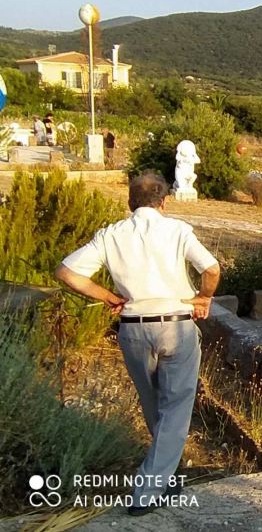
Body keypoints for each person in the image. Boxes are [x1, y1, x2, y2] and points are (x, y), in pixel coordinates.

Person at [54, 171, 220, 516]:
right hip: (175, 326)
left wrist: (107, 296)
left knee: (154, 403)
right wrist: (203, 298)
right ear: (163, 201)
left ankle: (164, 472)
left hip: (133, 328)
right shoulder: (176, 230)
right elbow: (212, 268)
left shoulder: (111, 235)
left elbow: (67, 272)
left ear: (130, 203)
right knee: (175, 408)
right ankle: (148, 489)